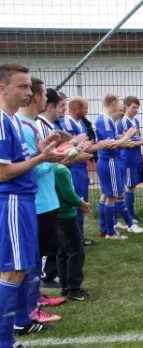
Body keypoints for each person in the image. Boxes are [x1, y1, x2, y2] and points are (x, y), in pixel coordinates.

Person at [0, 63, 65, 348]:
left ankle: (22, 322)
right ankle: (3, 343)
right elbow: (2, 173)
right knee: (12, 269)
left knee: (22, 267)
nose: (30, 92)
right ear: (3, 89)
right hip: (12, 200)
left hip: (23, 201)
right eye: (23, 86)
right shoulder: (2, 121)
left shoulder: (12, 121)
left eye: (29, 87)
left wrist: (39, 150)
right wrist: (41, 158)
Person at [96, 93, 143, 240]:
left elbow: (112, 139)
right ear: (112, 104)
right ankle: (111, 232)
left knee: (107, 195)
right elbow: (110, 144)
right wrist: (127, 137)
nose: (121, 107)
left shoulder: (107, 120)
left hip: (110, 160)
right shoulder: (104, 120)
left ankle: (106, 227)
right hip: (110, 161)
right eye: (119, 104)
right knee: (113, 196)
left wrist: (122, 139)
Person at [53, 131, 95, 301]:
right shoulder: (61, 171)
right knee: (76, 251)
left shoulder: (55, 168)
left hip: (57, 214)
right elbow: (69, 195)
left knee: (62, 251)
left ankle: (65, 285)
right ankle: (74, 289)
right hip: (66, 214)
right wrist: (81, 203)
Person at [36, 88, 63, 288]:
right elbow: (41, 162)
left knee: (51, 234)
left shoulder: (46, 126)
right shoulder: (39, 126)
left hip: (48, 191)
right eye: (60, 106)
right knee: (43, 239)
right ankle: (45, 275)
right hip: (40, 196)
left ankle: (49, 274)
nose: (62, 110)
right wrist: (67, 153)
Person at [60, 96, 95, 246]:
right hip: (73, 167)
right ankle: (75, 238)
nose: (87, 111)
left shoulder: (79, 123)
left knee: (82, 203)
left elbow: (81, 145)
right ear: (77, 109)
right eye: (85, 108)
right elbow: (67, 147)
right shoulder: (67, 122)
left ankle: (79, 236)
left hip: (81, 167)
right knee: (76, 202)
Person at [119, 96, 143, 221]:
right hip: (129, 159)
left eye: (137, 107)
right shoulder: (124, 122)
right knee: (130, 187)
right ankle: (131, 216)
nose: (136, 110)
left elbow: (137, 140)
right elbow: (129, 143)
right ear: (126, 107)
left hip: (138, 158)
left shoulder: (135, 121)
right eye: (133, 107)